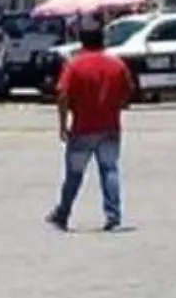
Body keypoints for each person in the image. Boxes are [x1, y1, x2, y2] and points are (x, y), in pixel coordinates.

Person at [46, 17, 135, 232]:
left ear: (81, 40)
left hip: (83, 128)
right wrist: (114, 105)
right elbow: (128, 91)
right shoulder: (116, 64)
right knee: (110, 170)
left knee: (74, 174)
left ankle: (63, 213)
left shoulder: (74, 65)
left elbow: (63, 95)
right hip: (109, 127)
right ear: (102, 39)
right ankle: (113, 216)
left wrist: (62, 124)